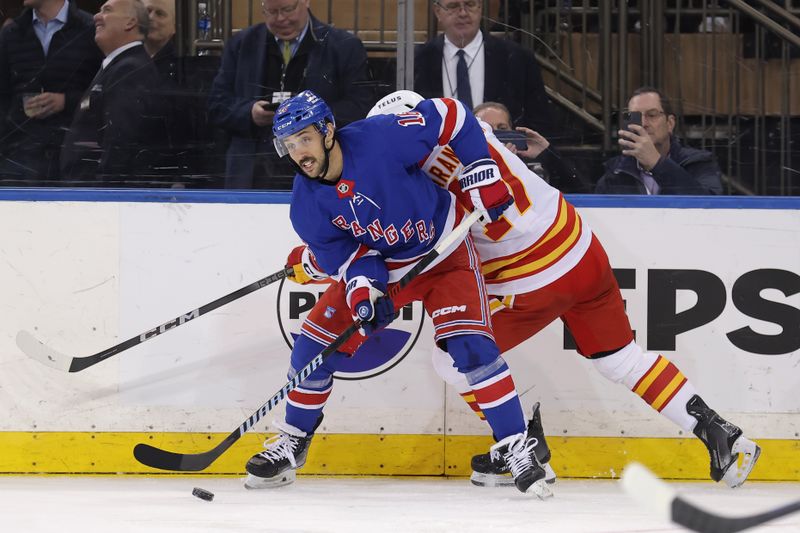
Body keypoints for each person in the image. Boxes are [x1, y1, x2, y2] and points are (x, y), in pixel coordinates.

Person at [369, 90, 761, 490]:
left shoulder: (417, 182)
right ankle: (721, 434)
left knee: (451, 357)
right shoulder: (476, 130)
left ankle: (523, 446)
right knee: (620, 358)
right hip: (581, 248)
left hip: (533, 275)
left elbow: (433, 256)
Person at [243, 90, 551, 498]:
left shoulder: (380, 138)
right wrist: (365, 295)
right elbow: (354, 261)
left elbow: (452, 114)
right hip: (387, 267)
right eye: (290, 144)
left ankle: (516, 447)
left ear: (327, 130)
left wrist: (482, 170)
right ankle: (294, 440)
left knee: (471, 346)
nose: (299, 152)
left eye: (304, 138)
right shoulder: (305, 206)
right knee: (312, 346)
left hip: (445, 250)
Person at [207, 0, 373, 189]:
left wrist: (310, 118)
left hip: (321, 174)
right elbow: (216, 105)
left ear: (306, 2)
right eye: (271, 11)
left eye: (288, 9)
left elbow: (362, 106)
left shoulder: (344, 46)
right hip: (250, 175)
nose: (280, 18)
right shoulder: (240, 44)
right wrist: (249, 113)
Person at [414, 0, 553, 138]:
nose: (463, 13)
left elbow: (539, 124)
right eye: (453, 6)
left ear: (480, 7)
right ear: (438, 11)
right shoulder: (418, 60)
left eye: (470, 4)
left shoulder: (518, 58)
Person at [0, 0, 102, 181]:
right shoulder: (11, 33)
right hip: (19, 157)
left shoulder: (90, 28)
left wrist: (65, 101)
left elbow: (103, 91)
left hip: (73, 155)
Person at [60, 0, 161, 181]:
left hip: (102, 199)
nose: (97, 17)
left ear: (130, 22)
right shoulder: (118, 66)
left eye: (107, 10)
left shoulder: (129, 69)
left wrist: (102, 194)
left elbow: (120, 143)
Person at [596, 87, 724, 195]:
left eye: (652, 115)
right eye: (635, 117)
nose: (643, 123)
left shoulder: (698, 162)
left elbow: (711, 208)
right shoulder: (615, 172)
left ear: (670, 123)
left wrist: (657, 164)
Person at [473, 101, 590, 193]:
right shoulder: (463, 163)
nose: (496, 134)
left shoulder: (531, 163)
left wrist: (547, 152)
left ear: (512, 130)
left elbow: (582, 192)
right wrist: (499, 164)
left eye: (502, 129)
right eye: (488, 129)